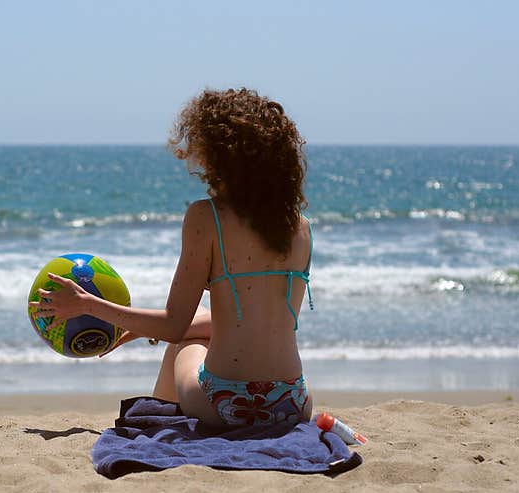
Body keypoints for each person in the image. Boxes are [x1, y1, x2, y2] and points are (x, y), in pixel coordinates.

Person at [30, 87, 313, 431]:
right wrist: (135, 329)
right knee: (204, 320)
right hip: (293, 403)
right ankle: (154, 419)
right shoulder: (300, 228)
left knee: (184, 342)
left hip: (226, 404)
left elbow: (173, 326)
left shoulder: (207, 218)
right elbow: (251, 325)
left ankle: (150, 424)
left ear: (219, 156)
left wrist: (86, 304)